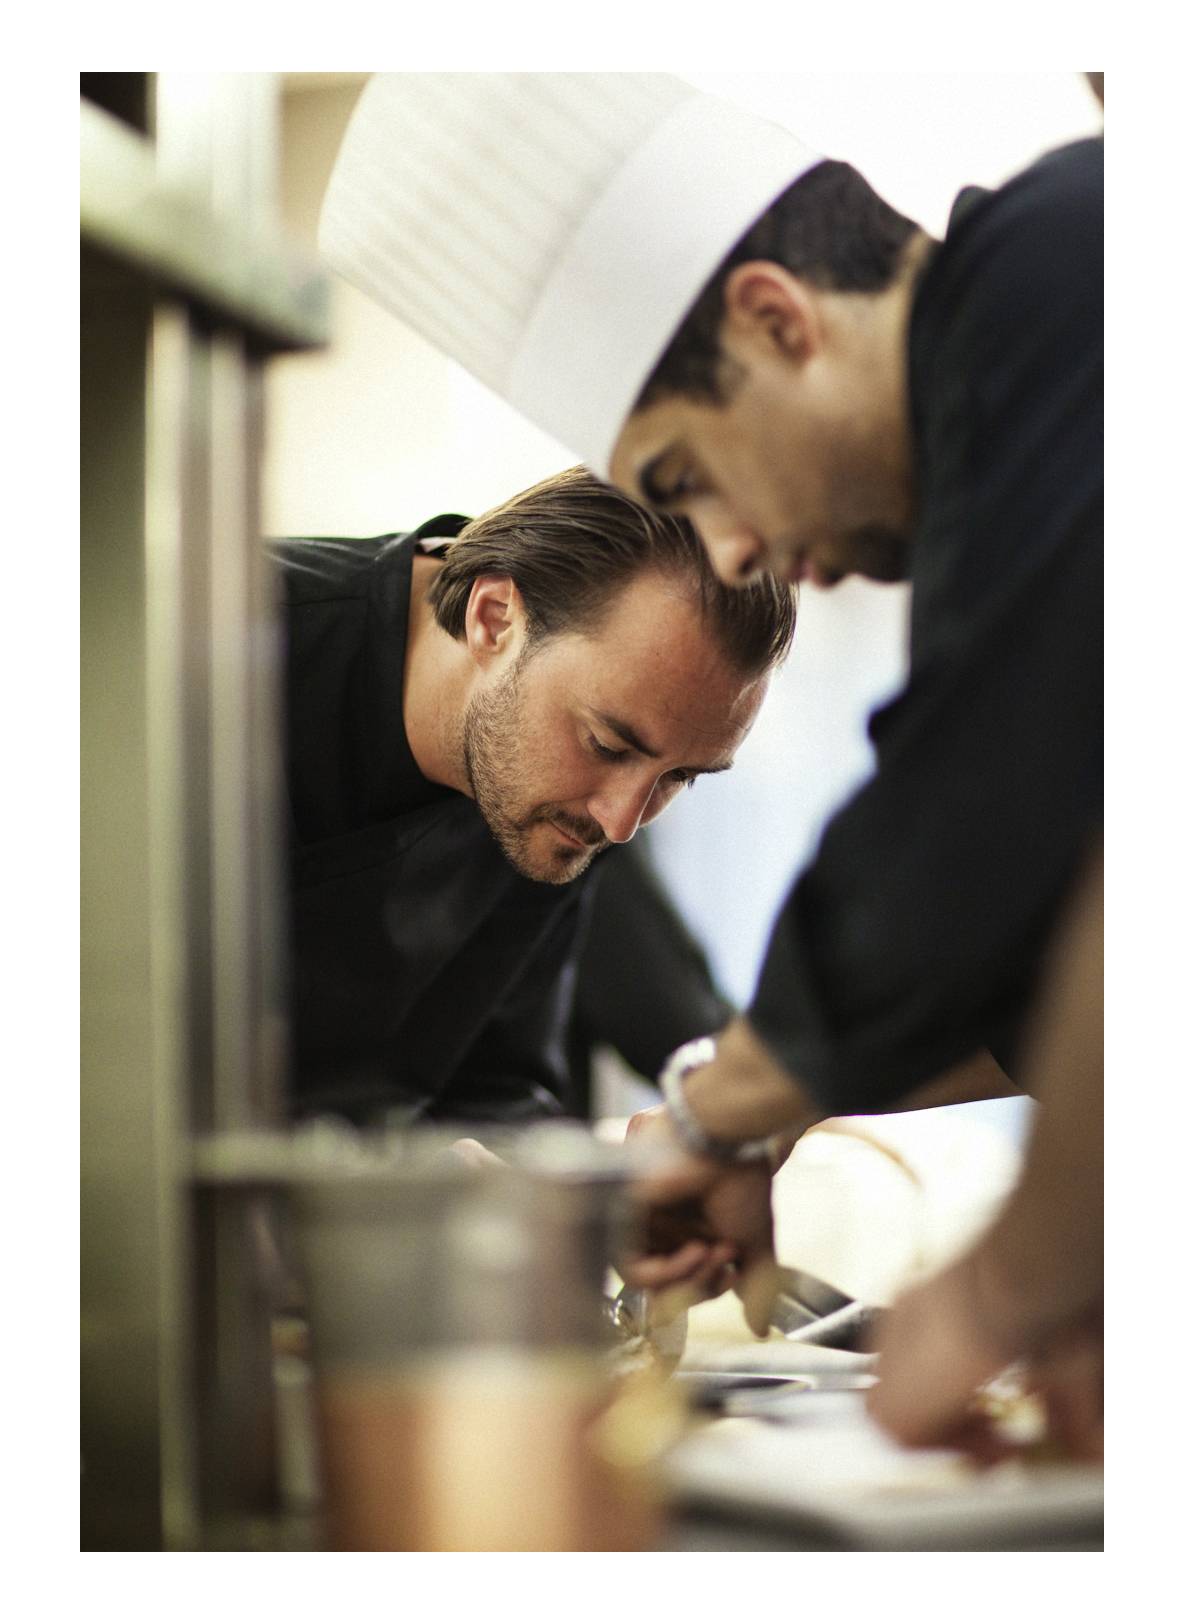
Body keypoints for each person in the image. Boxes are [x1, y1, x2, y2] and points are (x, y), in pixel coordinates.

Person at [317, 75, 1102, 1457]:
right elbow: (1074, 922)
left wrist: (990, 1275)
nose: (732, 551)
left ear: (775, 319)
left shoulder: (1066, 267)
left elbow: (977, 802)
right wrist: (751, 1120)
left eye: (686, 477)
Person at [273, 464, 793, 1128]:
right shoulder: (210, 643)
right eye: (606, 745)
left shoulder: (562, 808)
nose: (621, 822)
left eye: (679, 777)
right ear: (493, 620)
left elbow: (494, 1088)